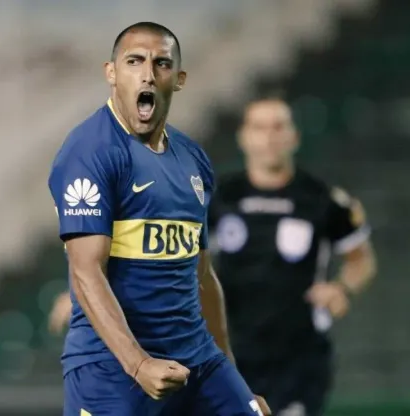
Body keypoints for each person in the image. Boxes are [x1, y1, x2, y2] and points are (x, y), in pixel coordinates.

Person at [47, 22, 271, 416]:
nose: (148, 73)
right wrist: (138, 364)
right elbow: (86, 273)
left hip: (197, 361)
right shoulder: (90, 152)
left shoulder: (193, 159)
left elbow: (202, 274)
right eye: (134, 61)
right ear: (111, 73)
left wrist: (234, 381)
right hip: (111, 371)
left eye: (161, 63)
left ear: (179, 78)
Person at [208, 97, 378, 416]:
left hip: (299, 359)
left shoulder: (322, 199)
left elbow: (361, 259)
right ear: (243, 137)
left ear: (294, 137)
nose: (269, 137)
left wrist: (341, 288)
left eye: (278, 127)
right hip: (232, 354)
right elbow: (190, 260)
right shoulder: (219, 199)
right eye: (259, 127)